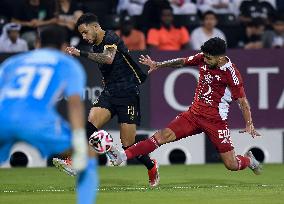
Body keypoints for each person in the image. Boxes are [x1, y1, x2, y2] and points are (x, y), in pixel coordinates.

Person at [107, 37, 262, 178]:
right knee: (162, 136)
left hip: (216, 121)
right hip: (193, 115)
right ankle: (122, 156)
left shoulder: (231, 73)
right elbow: (182, 61)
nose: (205, 60)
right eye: (204, 56)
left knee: (231, 165)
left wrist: (249, 124)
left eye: (209, 58)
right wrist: (159, 64)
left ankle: (249, 160)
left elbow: (242, 101)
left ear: (220, 57)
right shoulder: (202, 57)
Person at [53, 13, 160, 187]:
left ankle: (151, 166)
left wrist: (80, 53)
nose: (84, 37)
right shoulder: (96, 46)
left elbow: (109, 59)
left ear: (95, 27)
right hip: (110, 92)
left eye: (85, 32)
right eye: (81, 34)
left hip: (128, 94)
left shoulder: (111, 37)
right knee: (89, 125)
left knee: (128, 145)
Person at [0, 25, 98, 204]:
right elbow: (75, 104)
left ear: (37, 43)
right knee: (89, 156)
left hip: (2, 119)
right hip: (36, 121)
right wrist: (78, 141)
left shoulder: (12, 63)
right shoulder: (68, 63)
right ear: (64, 46)